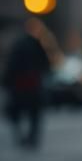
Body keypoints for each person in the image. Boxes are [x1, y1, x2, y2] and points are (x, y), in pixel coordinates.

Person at [2, 17, 55, 148]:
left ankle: (22, 136)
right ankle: (32, 138)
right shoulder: (38, 44)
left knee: (18, 112)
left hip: (20, 84)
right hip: (32, 84)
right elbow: (46, 64)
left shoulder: (19, 44)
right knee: (34, 113)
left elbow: (11, 65)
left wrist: (7, 81)